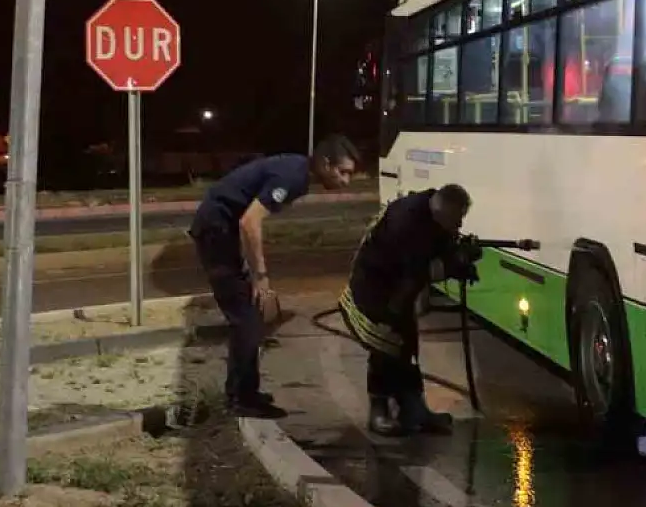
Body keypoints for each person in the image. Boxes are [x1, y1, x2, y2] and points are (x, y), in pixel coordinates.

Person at [188, 135, 359, 418]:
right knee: (246, 316)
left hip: (221, 229)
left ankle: (246, 391)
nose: (346, 181)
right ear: (326, 164)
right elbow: (250, 221)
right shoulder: (294, 177)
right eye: (343, 172)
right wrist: (261, 278)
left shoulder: (297, 170)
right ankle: (240, 399)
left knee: (250, 314)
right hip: (216, 230)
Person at [337, 184, 473, 436]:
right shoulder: (407, 224)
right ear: (443, 213)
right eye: (457, 220)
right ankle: (378, 411)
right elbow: (417, 273)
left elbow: (439, 248)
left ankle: (414, 409)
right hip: (375, 288)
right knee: (385, 345)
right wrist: (453, 265)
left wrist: (458, 256)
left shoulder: (431, 213)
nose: (459, 226)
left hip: (398, 288)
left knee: (407, 346)